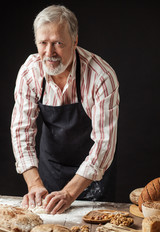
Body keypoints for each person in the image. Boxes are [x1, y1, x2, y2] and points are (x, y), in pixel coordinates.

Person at [11, 5, 119, 214]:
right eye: (43, 43)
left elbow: (105, 143)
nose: (49, 53)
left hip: (93, 174)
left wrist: (70, 193)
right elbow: (21, 132)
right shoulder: (29, 73)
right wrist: (34, 184)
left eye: (58, 43)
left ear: (75, 41)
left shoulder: (101, 76)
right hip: (51, 168)